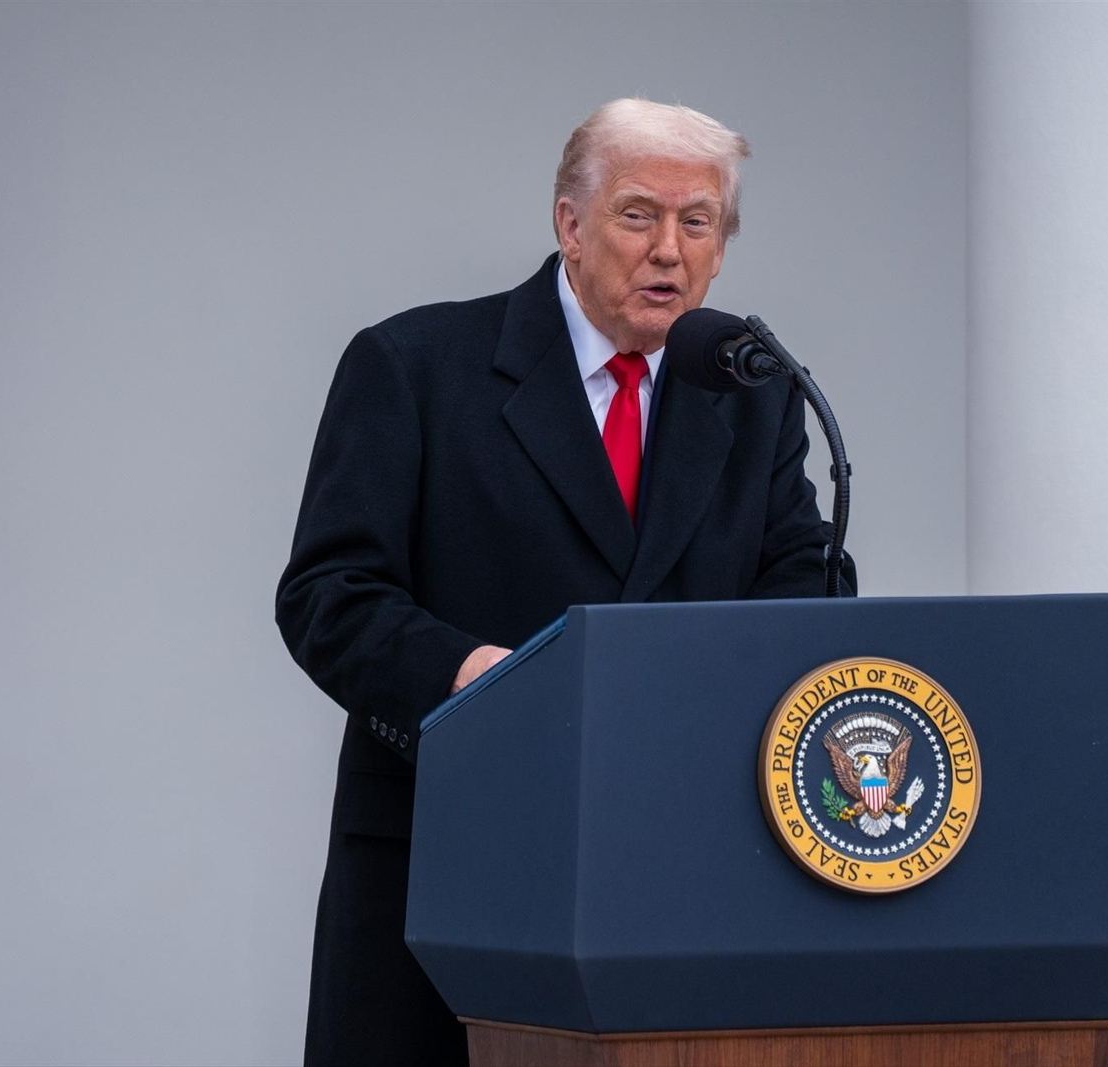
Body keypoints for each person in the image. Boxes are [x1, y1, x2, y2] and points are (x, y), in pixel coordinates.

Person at [276, 97, 854, 1066]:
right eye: (639, 215)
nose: (669, 249)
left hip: (682, 874)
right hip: (449, 867)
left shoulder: (753, 397)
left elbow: (798, 585)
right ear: (569, 224)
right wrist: (472, 677)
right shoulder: (414, 366)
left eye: (697, 221)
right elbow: (329, 591)